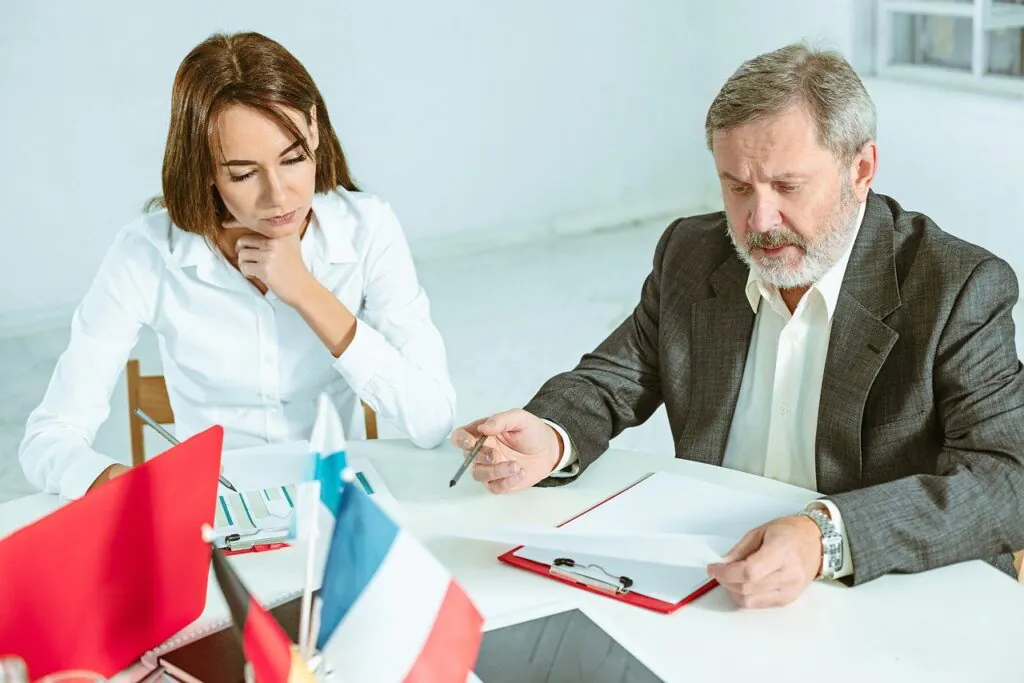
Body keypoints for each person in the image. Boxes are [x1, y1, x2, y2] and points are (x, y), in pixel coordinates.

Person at [452, 42, 1024, 607]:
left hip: (885, 589)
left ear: (862, 169)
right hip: (718, 584)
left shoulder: (956, 286)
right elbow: (612, 379)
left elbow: (1007, 481)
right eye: (737, 186)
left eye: (788, 186)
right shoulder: (692, 252)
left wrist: (825, 536)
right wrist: (550, 437)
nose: (760, 220)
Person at [20, 32, 455, 500]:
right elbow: (48, 439)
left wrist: (306, 292)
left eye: (292, 159)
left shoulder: (367, 227)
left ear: (313, 128)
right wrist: (122, 483)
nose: (280, 196)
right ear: (203, 165)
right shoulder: (147, 254)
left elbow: (432, 422)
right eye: (244, 173)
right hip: (213, 507)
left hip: (335, 503)